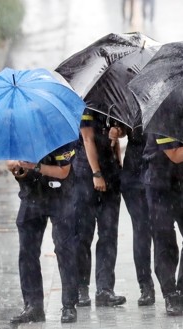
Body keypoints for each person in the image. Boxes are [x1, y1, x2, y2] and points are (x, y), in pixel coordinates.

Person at [7, 142, 79, 324]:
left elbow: (63, 172)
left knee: (65, 249)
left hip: (61, 195)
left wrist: (35, 166)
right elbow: (17, 168)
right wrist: (17, 168)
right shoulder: (19, 133)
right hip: (31, 196)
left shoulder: (61, 136)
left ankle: (69, 305)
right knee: (27, 252)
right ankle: (33, 306)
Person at [142, 134, 183, 315]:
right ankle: (170, 295)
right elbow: (175, 155)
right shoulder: (162, 117)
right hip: (159, 186)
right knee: (165, 241)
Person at [73, 108, 126, 307]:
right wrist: (96, 173)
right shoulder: (86, 104)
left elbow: (117, 138)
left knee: (109, 234)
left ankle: (105, 289)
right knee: (83, 235)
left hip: (111, 174)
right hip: (86, 176)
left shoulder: (113, 103)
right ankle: (80, 288)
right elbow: (87, 139)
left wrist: (117, 133)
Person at [109, 125, 156, 306]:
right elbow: (118, 128)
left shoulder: (169, 101)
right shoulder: (129, 101)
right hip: (135, 175)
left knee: (161, 231)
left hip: (160, 172)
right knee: (142, 229)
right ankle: (146, 285)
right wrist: (117, 132)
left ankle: (170, 287)